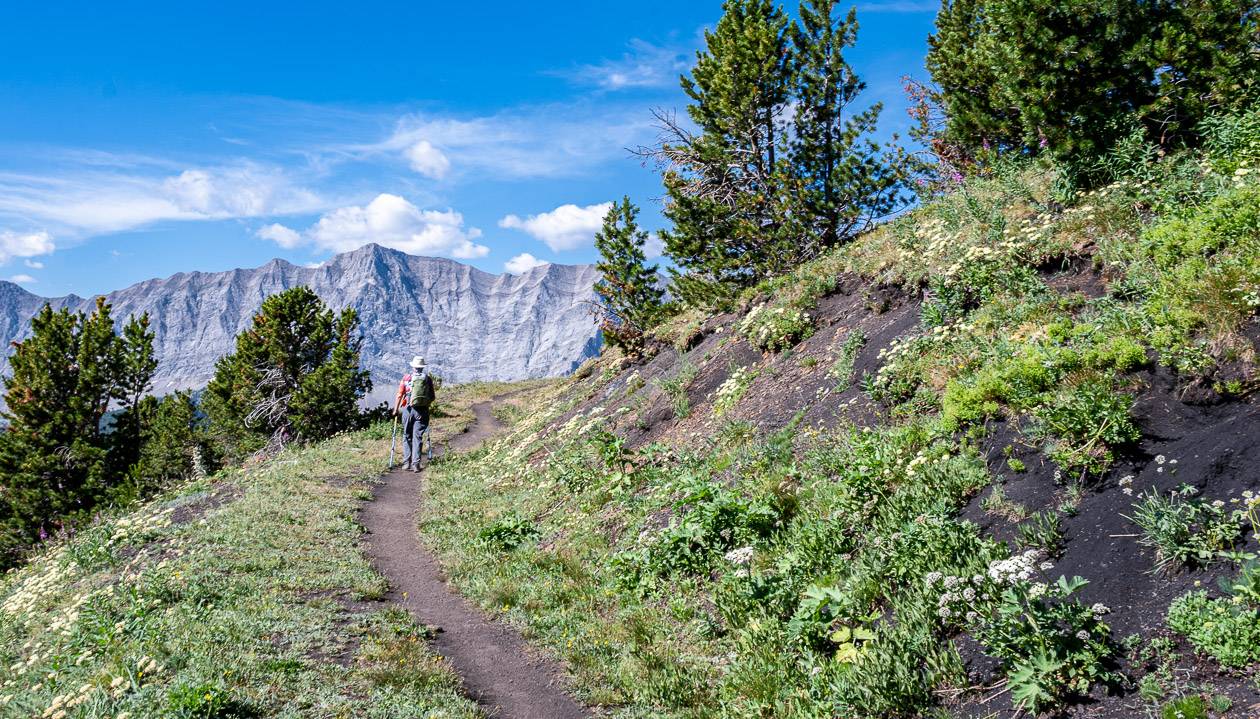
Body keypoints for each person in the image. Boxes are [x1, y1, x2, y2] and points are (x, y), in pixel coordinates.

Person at [393, 355, 436, 472]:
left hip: (407, 410)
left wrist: (395, 410)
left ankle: (406, 463)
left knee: (407, 435)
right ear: (422, 367)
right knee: (418, 437)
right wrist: (425, 404)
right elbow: (432, 396)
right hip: (422, 411)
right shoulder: (427, 379)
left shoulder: (406, 378)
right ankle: (416, 464)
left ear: (413, 367)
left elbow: (399, 395)